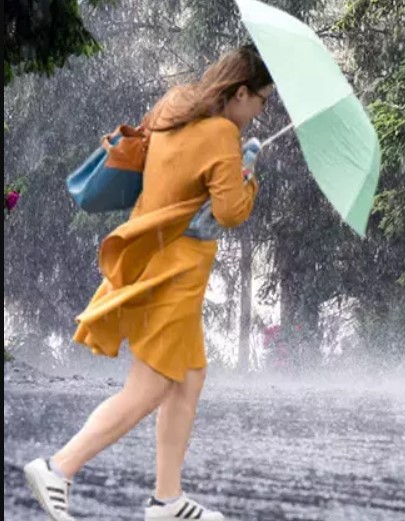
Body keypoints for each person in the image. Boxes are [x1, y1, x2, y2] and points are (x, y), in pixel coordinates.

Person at [23, 44, 274, 521]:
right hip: (177, 273)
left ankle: (167, 499)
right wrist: (249, 173)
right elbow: (229, 212)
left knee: (189, 379)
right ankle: (59, 467)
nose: (262, 110)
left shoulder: (173, 104)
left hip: (151, 256)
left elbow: (173, 181)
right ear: (240, 92)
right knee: (149, 389)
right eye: (262, 99)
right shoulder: (223, 132)